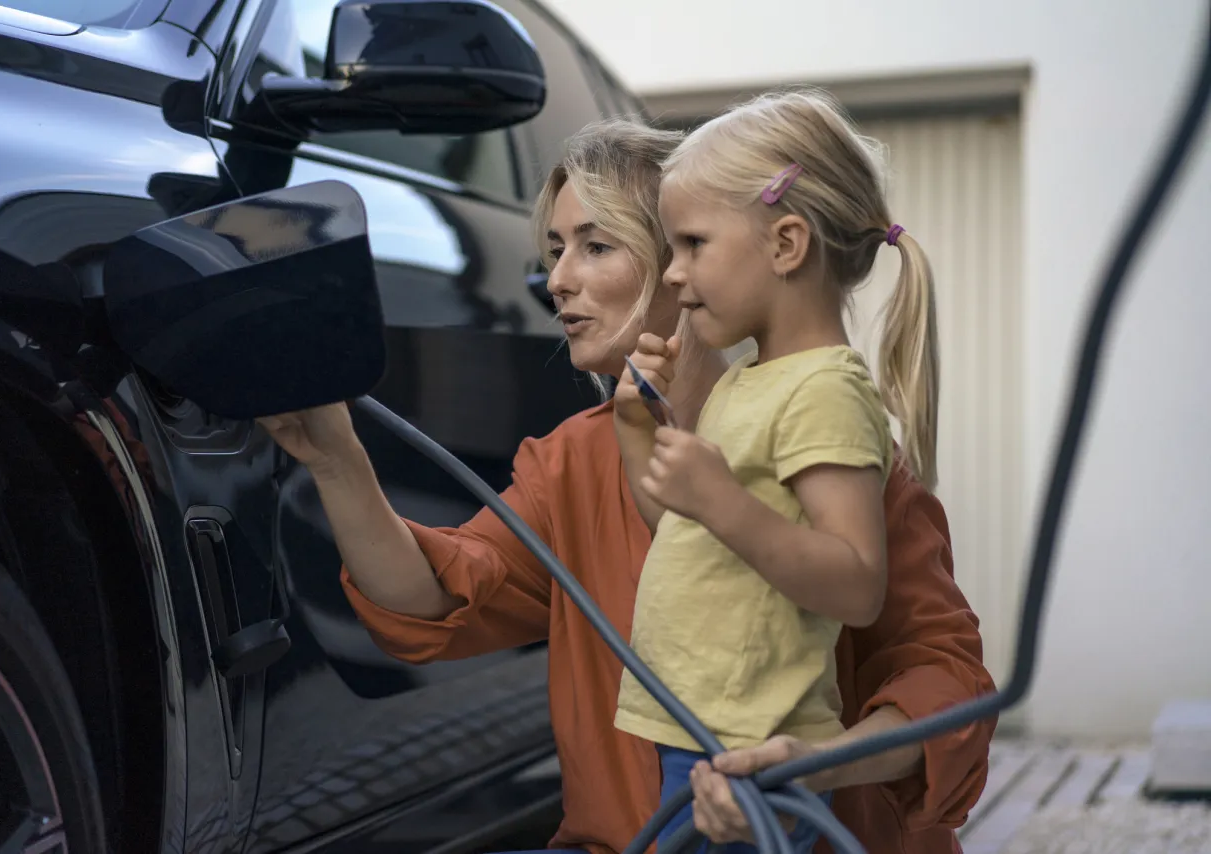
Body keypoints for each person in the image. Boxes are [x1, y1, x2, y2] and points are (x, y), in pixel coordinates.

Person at [259, 114, 995, 854]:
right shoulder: (570, 461)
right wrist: (337, 461)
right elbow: (433, 597)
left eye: (596, 246)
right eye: (555, 251)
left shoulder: (830, 441)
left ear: (690, 261)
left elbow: (946, 680)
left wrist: (819, 767)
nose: (558, 280)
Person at [611, 87, 938, 854]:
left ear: (787, 244)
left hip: (751, 744)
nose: (672, 275)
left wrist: (724, 501)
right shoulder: (747, 380)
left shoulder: (825, 389)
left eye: (692, 244)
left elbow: (857, 583)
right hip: (699, 727)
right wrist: (636, 426)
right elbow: (680, 532)